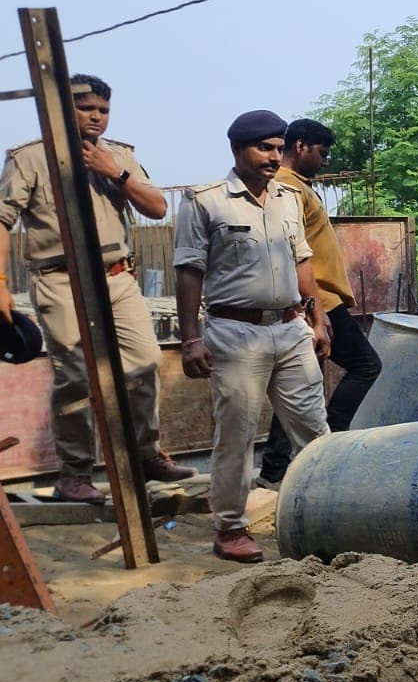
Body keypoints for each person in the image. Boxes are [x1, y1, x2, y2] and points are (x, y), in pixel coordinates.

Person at [0, 73, 195, 503]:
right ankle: (75, 474)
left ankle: (146, 454)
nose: (97, 117)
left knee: (144, 362)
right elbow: (2, 220)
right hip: (59, 281)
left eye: (103, 110)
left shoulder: (119, 154)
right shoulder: (30, 158)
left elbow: (158, 207)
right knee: (74, 376)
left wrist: (116, 172)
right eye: (87, 108)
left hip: (116, 277)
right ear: (62, 110)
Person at [173, 109, 331, 562]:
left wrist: (317, 320)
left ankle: (321, 516)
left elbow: (303, 262)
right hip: (234, 333)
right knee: (237, 436)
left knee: (315, 431)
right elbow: (188, 271)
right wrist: (189, 339)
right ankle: (229, 528)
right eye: (264, 148)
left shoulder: (287, 197)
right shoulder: (205, 201)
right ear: (237, 150)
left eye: (279, 148)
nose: (273, 156)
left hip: (290, 329)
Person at [255, 119, 383, 488]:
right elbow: (292, 253)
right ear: (301, 146)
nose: (326, 161)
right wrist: (315, 312)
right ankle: (331, 441)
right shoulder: (287, 189)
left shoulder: (296, 187)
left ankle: (274, 471)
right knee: (366, 364)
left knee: (299, 381)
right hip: (318, 300)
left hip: (317, 299)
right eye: (322, 153)